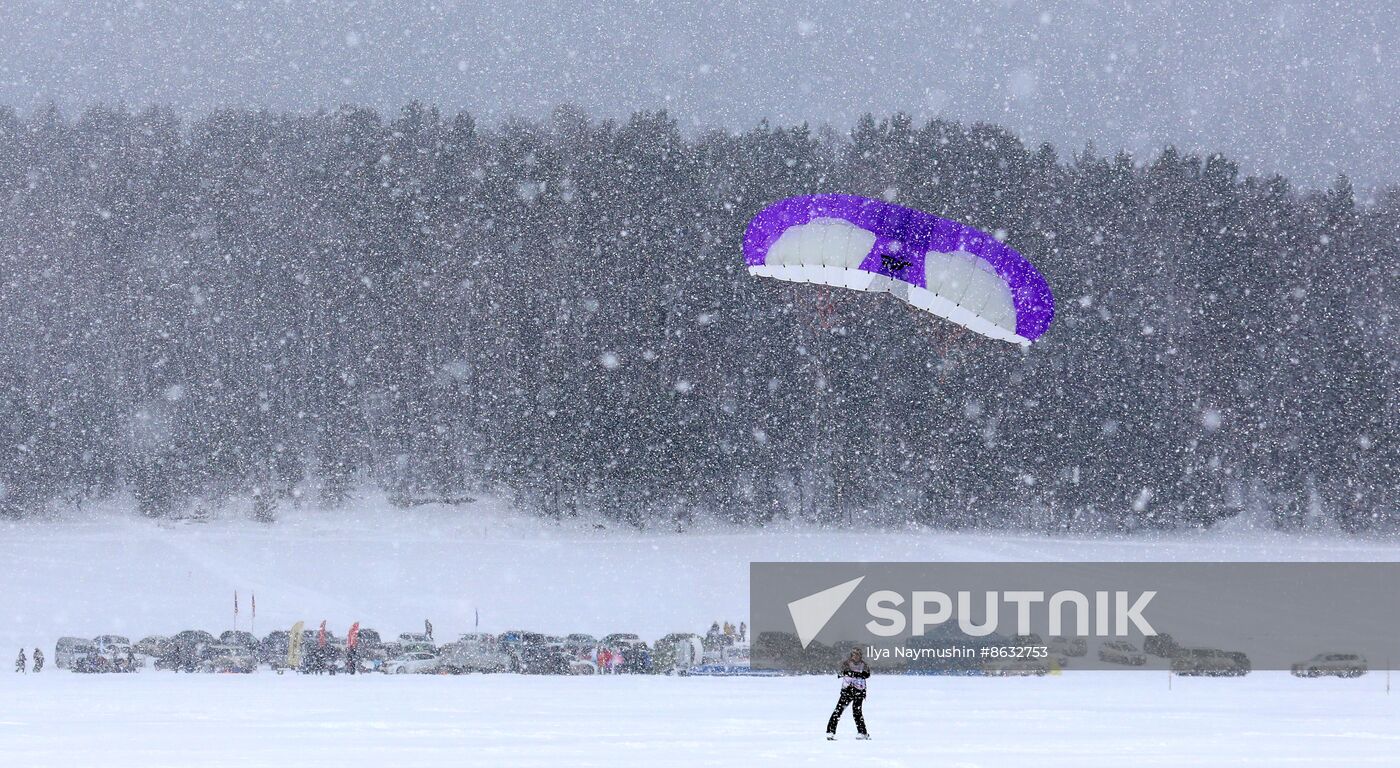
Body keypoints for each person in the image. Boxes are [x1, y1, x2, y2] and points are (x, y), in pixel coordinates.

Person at [826, 647, 870, 740]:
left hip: (859, 691)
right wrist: (852, 674)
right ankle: (830, 732)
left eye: (858, 655)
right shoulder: (846, 663)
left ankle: (862, 732)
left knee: (857, 712)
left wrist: (854, 674)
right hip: (847, 690)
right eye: (854, 654)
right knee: (838, 711)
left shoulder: (864, 665)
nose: (856, 656)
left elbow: (866, 674)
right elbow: (841, 673)